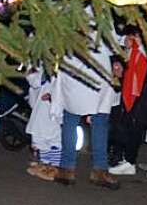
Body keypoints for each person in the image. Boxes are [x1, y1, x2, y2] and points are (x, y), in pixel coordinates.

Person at [49, 30, 120, 190]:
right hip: (79, 68)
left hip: (92, 69)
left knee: (93, 119)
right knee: (76, 117)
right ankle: (74, 168)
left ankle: (80, 168)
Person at [109, 31, 147, 180]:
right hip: (137, 92)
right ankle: (130, 161)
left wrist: (142, 44)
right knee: (134, 125)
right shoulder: (133, 44)